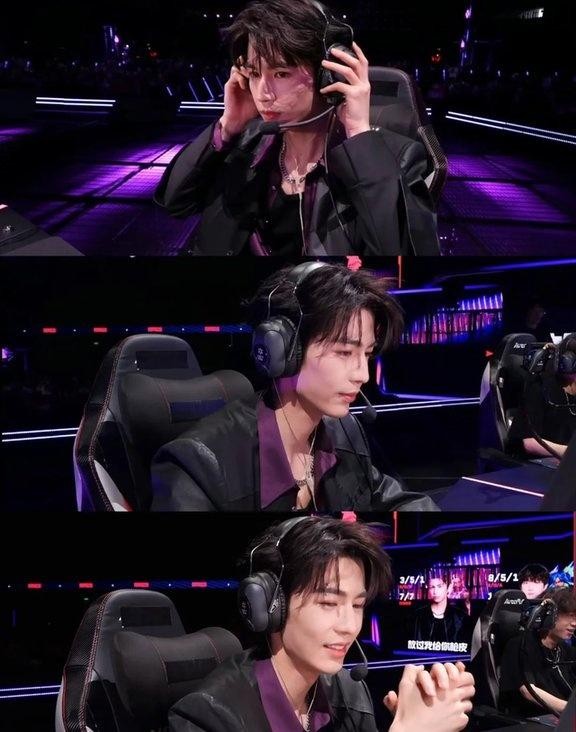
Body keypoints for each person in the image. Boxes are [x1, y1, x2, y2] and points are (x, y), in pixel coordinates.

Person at [154, 0, 440, 256]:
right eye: (254, 74)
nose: (263, 93)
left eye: (281, 73)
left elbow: (401, 251)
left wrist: (358, 133)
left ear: (329, 73)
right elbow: (174, 203)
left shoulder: (399, 158)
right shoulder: (246, 143)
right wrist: (228, 125)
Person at [151, 262, 438, 511]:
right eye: (344, 352)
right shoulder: (199, 466)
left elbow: (389, 497)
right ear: (284, 349)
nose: (363, 375)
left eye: (367, 354)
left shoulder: (343, 431)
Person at [168, 516, 475, 731]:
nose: (349, 626)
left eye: (357, 605)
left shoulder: (348, 691)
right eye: (328, 603)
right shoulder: (208, 717)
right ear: (271, 604)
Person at [499, 587, 576, 717]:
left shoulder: (567, 651)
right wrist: (569, 709)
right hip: (532, 719)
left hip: (563, 717)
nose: (574, 623)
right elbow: (528, 690)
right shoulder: (520, 645)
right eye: (570, 616)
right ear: (550, 615)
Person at [507, 335, 576, 460]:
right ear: (568, 363)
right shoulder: (540, 387)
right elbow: (527, 442)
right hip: (536, 465)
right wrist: (569, 453)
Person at [413, 573, 471, 644]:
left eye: (439, 586)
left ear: (447, 586)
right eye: (432, 587)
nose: (435, 591)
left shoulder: (460, 617)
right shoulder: (418, 616)